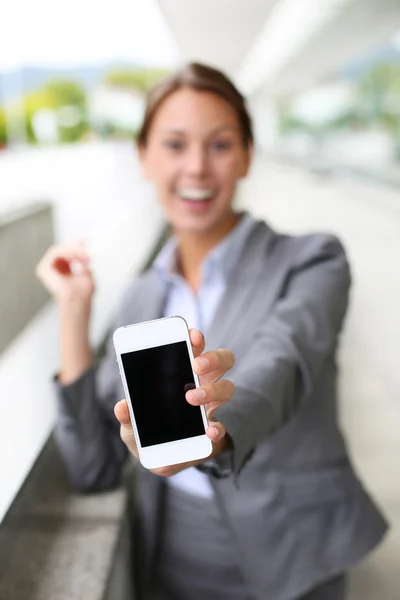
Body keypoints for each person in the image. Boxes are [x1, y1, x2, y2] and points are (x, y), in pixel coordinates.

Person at [36, 62, 388, 600]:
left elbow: (281, 366)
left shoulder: (312, 261)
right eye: (175, 145)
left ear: (248, 154)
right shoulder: (140, 299)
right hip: (175, 557)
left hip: (293, 554)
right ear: (144, 158)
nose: (197, 168)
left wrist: (215, 434)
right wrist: (73, 312)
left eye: (220, 145)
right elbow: (91, 467)